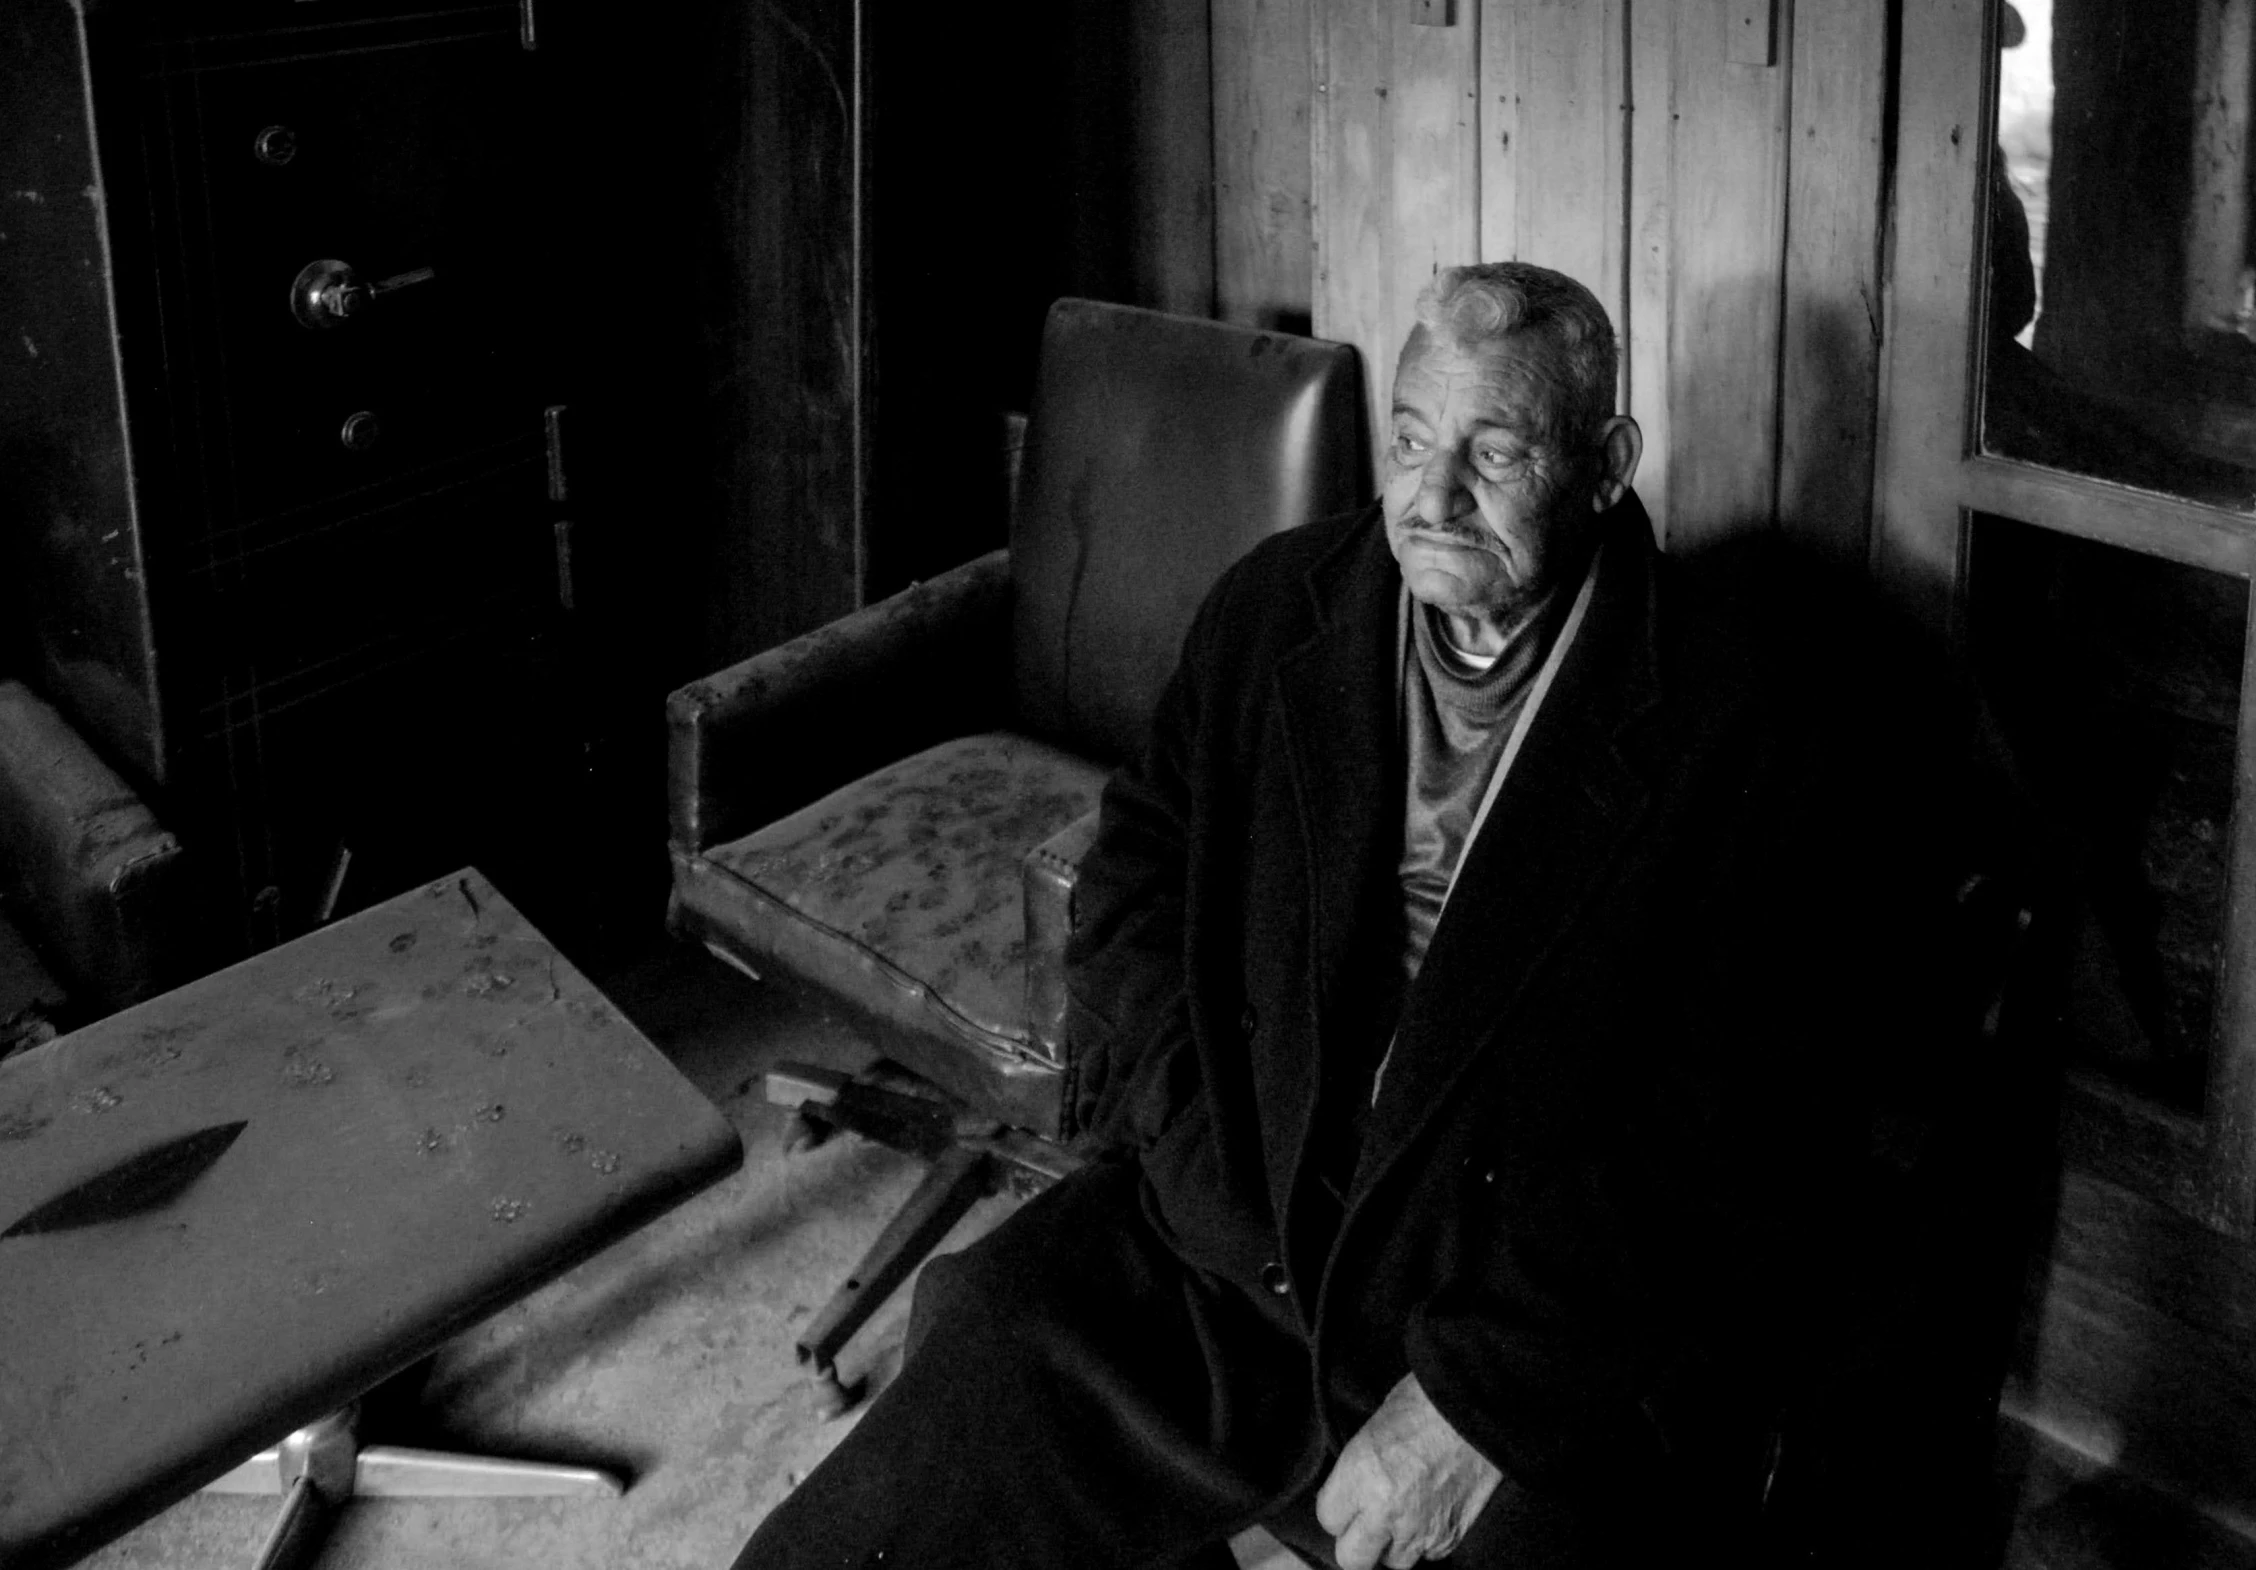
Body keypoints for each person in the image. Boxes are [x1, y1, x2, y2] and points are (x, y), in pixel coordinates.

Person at [730, 262, 2012, 1570]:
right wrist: (1195, 1165)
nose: (1431, 495)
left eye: (1492, 452)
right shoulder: (1280, 609)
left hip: (1512, 1319)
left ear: (1606, 464)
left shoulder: (1737, 720)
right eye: (1409, 440)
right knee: (991, 1331)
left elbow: (1734, 1131)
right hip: (1247, 1227)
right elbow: (1131, 892)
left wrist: (1479, 1406)